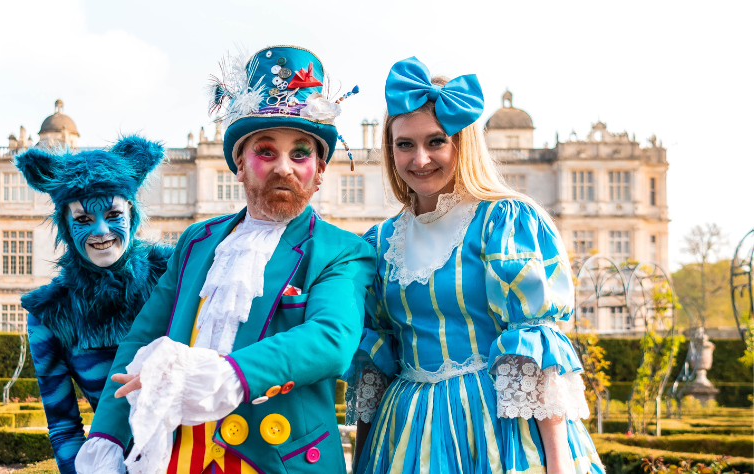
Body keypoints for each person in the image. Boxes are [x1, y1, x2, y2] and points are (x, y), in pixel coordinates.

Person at [76, 45, 375, 474]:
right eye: (266, 151)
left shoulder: (342, 250)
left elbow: (330, 340)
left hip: (278, 459)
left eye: (300, 154)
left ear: (321, 169)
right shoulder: (199, 239)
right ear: (239, 164)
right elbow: (142, 338)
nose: (284, 168)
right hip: (178, 458)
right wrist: (106, 436)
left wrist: (223, 374)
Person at [347, 57, 604, 474]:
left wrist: (557, 465)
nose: (420, 159)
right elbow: (375, 363)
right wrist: (360, 462)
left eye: (436, 141)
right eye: (405, 144)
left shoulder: (505, 221)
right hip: (403, 432)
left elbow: (534, 344)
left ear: (462, 144)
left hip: (495, 428)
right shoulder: (379, 242)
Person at [16, 136, 173, 474]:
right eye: (84, 219)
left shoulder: (174, 273)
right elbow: (63, 427)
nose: (101, 231)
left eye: (113, 214)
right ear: (65, 225)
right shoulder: (51, 313)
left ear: (131, 212)